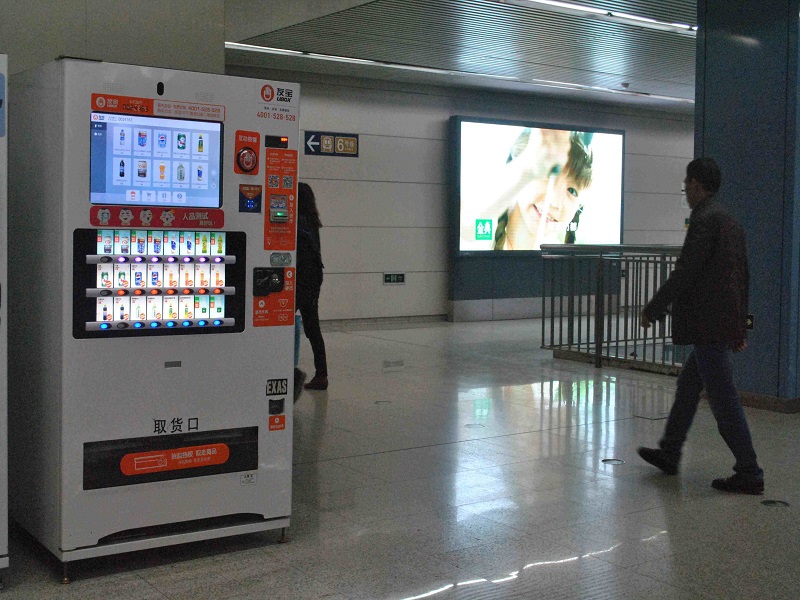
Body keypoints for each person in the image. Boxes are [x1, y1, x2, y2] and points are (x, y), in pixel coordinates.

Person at [638, 157, 764, 494]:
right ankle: (670, 452)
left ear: (696, 184)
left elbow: (686, 273)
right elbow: (742, 277)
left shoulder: (705, 220)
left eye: (687, 182)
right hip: (720, 324)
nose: (684, 188)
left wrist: (653, 308)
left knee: (723, 399)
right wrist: (739, 326)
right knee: (689, 385)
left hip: (709, 326)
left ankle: (750, 471)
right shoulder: (729, 220)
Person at [493, 129, 593, 250]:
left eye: (572, 191)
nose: (555, 203)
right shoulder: (483, 233)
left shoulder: (562, 257)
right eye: (548, 174)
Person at [295, 182, 328, 391]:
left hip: (302, 278)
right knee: (312, 327)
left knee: (285, 323)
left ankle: (290, 370)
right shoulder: (312, 221)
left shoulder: (299, 222)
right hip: (313, 277)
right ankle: (321, 374)